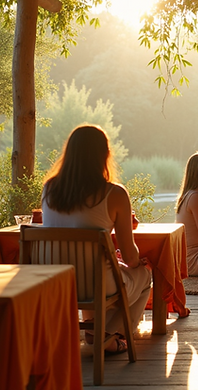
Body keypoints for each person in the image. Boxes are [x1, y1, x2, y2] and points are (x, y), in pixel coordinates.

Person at [40, 124, 151, 355]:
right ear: (105, 154)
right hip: (96, 285)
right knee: (143, 275)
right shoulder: (115, 194)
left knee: (111, 272)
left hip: (53, 283)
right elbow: (131, 259)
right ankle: (107, 336)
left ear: (68, 153)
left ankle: (96, 331)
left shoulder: (49, 189)